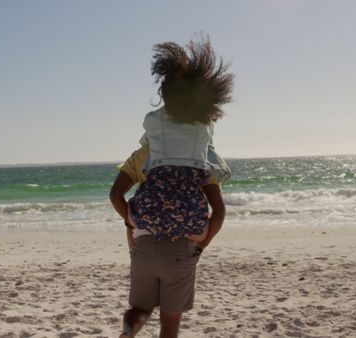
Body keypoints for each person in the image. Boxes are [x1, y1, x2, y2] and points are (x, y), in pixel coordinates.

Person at [109, 34, 234, 338]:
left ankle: (128, 333)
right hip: (182, 247)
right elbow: (219, 211)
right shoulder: (202, 159)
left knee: (140, 309)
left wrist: (132, 222)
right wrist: (201, 244)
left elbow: (115, 195)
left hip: (143, 246)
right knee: (170, 324)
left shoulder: (144, 155)